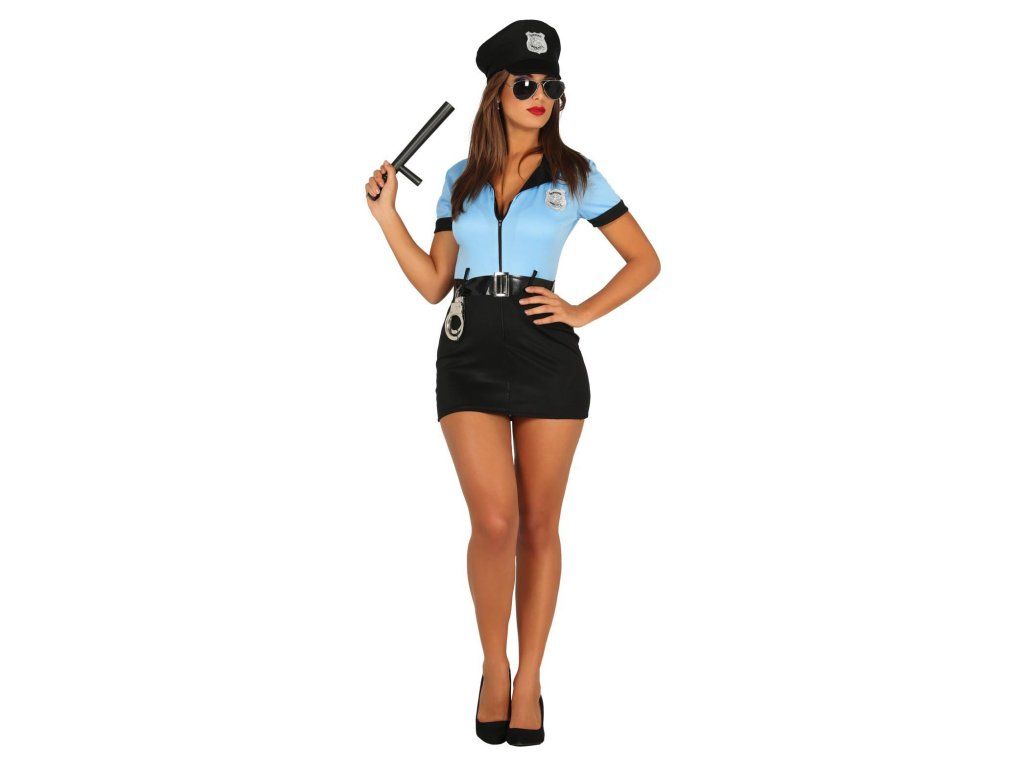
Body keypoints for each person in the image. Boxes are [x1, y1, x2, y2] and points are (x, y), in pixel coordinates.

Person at [364, 19, 660, 746]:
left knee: (538, 524)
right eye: (525, 84)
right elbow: (434, 284)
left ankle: (530, 680)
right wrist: (386, 218)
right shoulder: (458, 179)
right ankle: (493, 667)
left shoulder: (576, 174)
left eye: (551, 85)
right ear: (497, 92)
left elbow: (645, 260)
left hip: (546, 356)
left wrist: (579, 310)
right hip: (466, 351)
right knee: (494, 522)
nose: (540, 96)